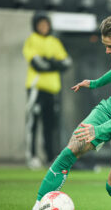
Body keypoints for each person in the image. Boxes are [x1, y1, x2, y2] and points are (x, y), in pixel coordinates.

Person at [32, 15, 111, 210]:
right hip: (109, 110)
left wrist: (99, 131)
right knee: (72, 148)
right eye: (105, 46)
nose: (107, 51)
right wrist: (94, 83)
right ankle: (39, 205)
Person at [23, 11, 72, 169]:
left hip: (52, 90)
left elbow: (67, 63)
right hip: (36, 89)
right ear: (35, 26)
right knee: (33, 123)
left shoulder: (54, 41)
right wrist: (54, 62)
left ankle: (50, 157)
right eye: (40, 24)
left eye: (46, 24)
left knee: (50, 125)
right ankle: (32, 156)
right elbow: (38, 64)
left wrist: (49, 61)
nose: (43, 27)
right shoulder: (32, 40)